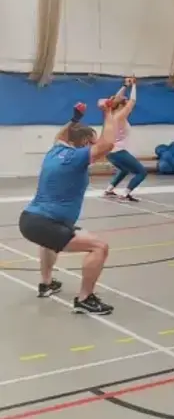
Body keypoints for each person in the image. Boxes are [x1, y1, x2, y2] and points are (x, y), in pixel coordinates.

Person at [18, 100, 121, 315]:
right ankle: (85, 298)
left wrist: (75, 119)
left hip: (30, 219)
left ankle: (46, 284)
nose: (95, 147)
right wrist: (108, 112)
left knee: (48, 243)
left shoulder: (54, 152)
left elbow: (61, 135)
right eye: (92, 143)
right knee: (99, 247)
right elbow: (108, 143)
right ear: (84, 142)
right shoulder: (75, 158)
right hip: (46, 223)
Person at [103, 77, 147, 202]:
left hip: (109, 152)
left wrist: (125, 85)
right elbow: (133, 100)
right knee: (142, 172)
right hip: (118, 151)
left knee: (125, 170)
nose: (126, 100)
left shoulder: (110, 114)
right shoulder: (120, 116)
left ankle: (109, 190)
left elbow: (116, 99)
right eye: (124, 101)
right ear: (121, 105)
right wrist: (134, 85)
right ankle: (125, 193)